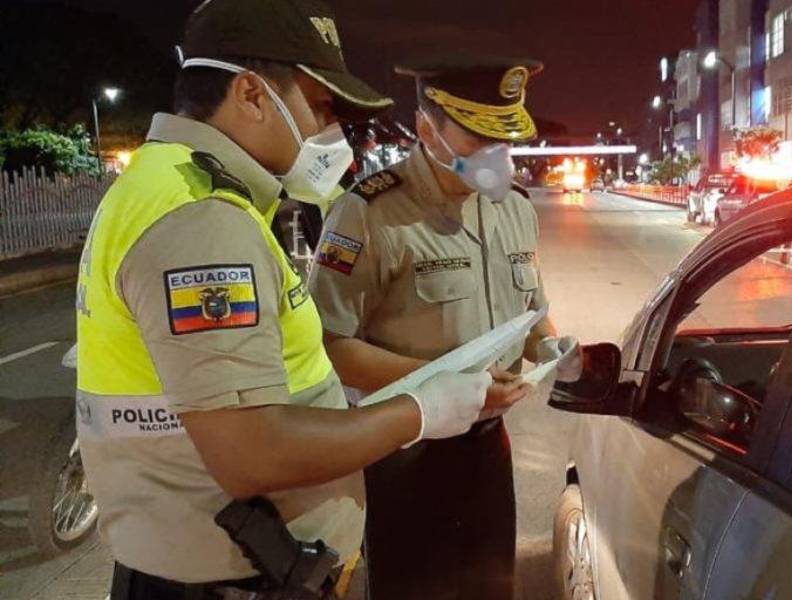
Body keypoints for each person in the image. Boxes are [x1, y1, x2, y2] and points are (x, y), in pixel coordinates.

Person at [73, 2, 499, 598]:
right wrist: (420, 411)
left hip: (226, 567)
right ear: (250, 95)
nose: (334, 132)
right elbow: (251, 454)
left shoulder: (169, 186)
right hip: (233, 578)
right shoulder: (202, 219)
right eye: (322, 107)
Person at [307, 51, 581, 599]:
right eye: (478, 138)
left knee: (491, 587)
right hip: (402, 448)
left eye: (504, 141)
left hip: (487, 450)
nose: (495, 157)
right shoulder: (369, 212)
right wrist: (442, 386)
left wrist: (555, 347)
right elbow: (330, 343)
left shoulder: (514, 209)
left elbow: (531, 312)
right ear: (425, 127)